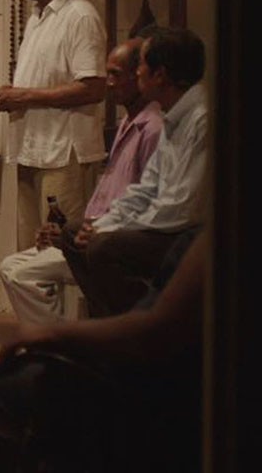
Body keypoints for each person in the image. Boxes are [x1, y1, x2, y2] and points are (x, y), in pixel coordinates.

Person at [0, 227, 205, 472]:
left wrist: (54, 333)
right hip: (151, 364)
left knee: (4, 383)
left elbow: (156, 331)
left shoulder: (217, 234)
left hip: (160, 390)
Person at [0, 36, 162, 324]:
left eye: (116, 74)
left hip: (112, 242)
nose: (108, 83)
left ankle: (62, 341)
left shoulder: (153, 128)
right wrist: (64, 230)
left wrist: (88, 231)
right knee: (12, 265)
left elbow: (149, 204)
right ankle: (62, 339)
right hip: (93, 233)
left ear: (140, 75)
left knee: (21, 274)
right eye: (107, 73)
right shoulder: (127, 122)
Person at [62, 26, 208, 317]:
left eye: (140, 64)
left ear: (160, 74)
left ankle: (143, 324)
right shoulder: (172, 114)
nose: (137, 72)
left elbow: (180, 208)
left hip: (190, 234)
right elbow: (146, 189)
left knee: (103, 247)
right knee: (73, 232)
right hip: (164, 224)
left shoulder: (201, 119)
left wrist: (110, 229)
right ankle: (111, 320)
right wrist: (103, 223)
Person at [0, 0, 107, 252]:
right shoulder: (37, 17)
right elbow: (47, 77)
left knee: (60, 251)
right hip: (32, 148)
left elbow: (93, 87)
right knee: (31, 251)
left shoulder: (80, 16)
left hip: (64, 154)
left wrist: (24, 96)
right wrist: (14, 93)